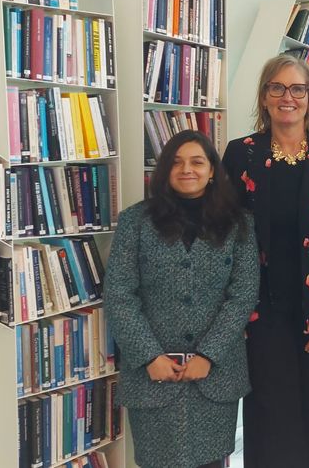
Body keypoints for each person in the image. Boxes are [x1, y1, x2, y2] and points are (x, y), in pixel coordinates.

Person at [222, 54, 309, 468]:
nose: (288, 97)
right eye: (278, 88)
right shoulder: (240, 154)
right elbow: (223, 235)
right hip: (258, 310)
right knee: (267, 414)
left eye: (298, 89)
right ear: (264, 97)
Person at [104, 130, 259, 468]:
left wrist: (209, 354)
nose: (187, 169)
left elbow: (244, 294)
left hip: (215, 377)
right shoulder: (135, 222)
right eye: (177, 162)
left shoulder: (239, 224)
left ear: (212, 170)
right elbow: (119, 294)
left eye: (197, 162)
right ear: (165, 171)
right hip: (153, 375)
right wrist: (149, 356)